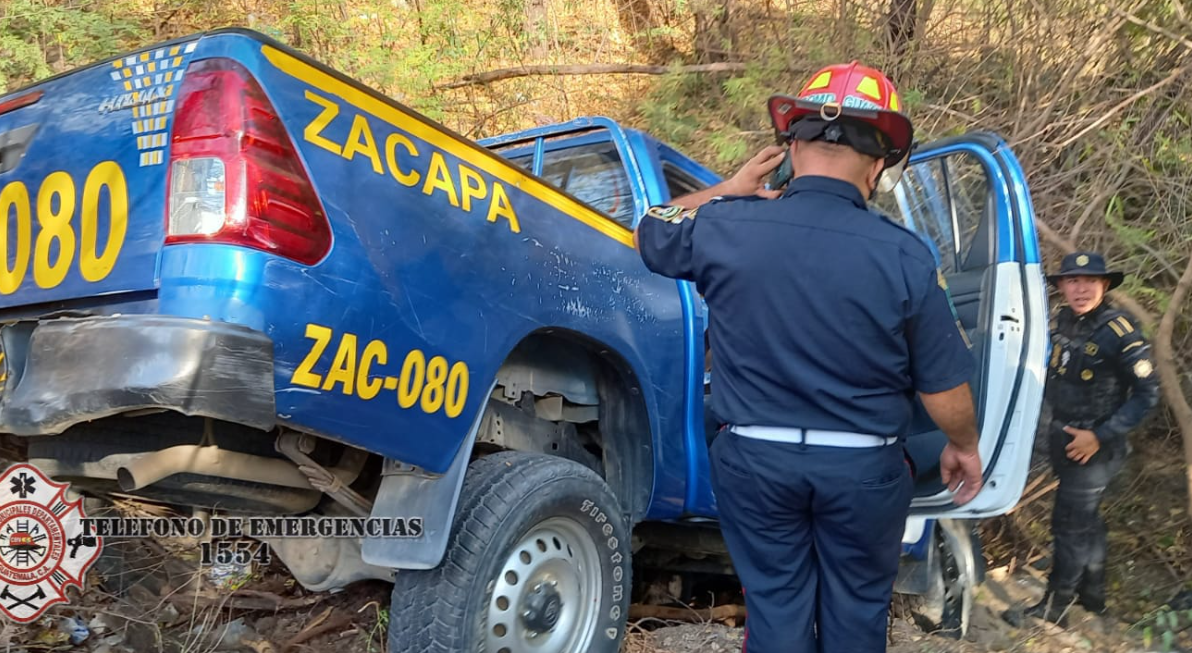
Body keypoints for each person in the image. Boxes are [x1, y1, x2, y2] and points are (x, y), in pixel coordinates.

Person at [633, 61, 984, 653]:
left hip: (754, 463)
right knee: (857, 616)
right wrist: (965, 447)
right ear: (877, 165)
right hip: (864, 474)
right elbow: (943, 389)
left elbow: (650, 227)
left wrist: (728, 189)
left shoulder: (727, 225)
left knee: (775, 610)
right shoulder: (905, 256)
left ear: (792, 147)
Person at [1023, 251, 1160, 625]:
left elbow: (1148, 394)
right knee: (1087, 521)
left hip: (1095, 449)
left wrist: (1098, 436)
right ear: (1063, 286)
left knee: (1068, 524)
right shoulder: (1062, 321)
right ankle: (1093, 597)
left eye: (1089, 281)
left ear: (1104, 286)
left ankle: (1055, 607)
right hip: (1064, 439)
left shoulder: (1119, 331)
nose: (1081, 288)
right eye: (1073, 281)